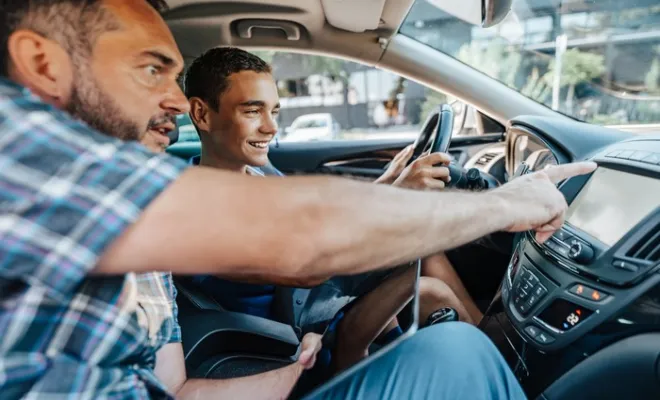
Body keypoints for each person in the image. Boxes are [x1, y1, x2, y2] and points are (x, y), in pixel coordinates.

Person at [0, 0, 595, 399]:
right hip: (295, 321)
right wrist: (508, 205)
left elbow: (178, 390)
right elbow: (301, 236)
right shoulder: (15, 148)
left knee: (451, 350)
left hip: (284, 354)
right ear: (42, 64)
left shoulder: (129, 226)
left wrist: (292, 375)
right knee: (459, 355)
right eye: (151, 71)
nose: (175, 103)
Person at [182, 47, 479, 326]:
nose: (272, 127)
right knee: (429, 291)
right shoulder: (203, 209)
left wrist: (388, 182)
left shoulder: (258, 174)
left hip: (315, 300)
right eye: (252, 111)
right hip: (296, 330)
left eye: (273, 111)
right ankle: (499, 352)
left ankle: (494, 338)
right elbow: (307, 263)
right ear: (202, 114)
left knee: (422, 242)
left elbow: (318, 222)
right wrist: (396, 196)